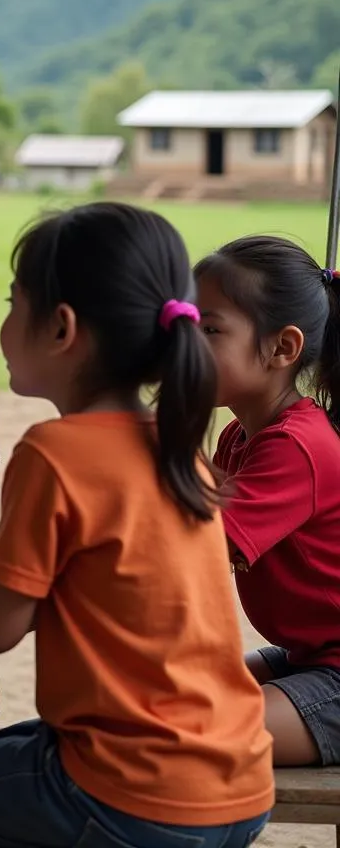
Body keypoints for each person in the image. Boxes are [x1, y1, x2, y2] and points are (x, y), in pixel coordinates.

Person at [0, 203, 273, 848]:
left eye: (11, 301)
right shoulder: (178, 443)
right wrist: (15, 545)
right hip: (238, 778)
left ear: (60, 328)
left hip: (137, 791)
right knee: (23, 746)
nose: (3, 322)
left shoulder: (54, 452)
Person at [195, 235, 340, 767]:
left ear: (282, 348)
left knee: (178, 730)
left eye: (209, 330)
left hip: (336, 675)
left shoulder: (295, 446)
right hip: (307, 656)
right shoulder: (240, 435)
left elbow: (196, 546)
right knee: (159, 698)